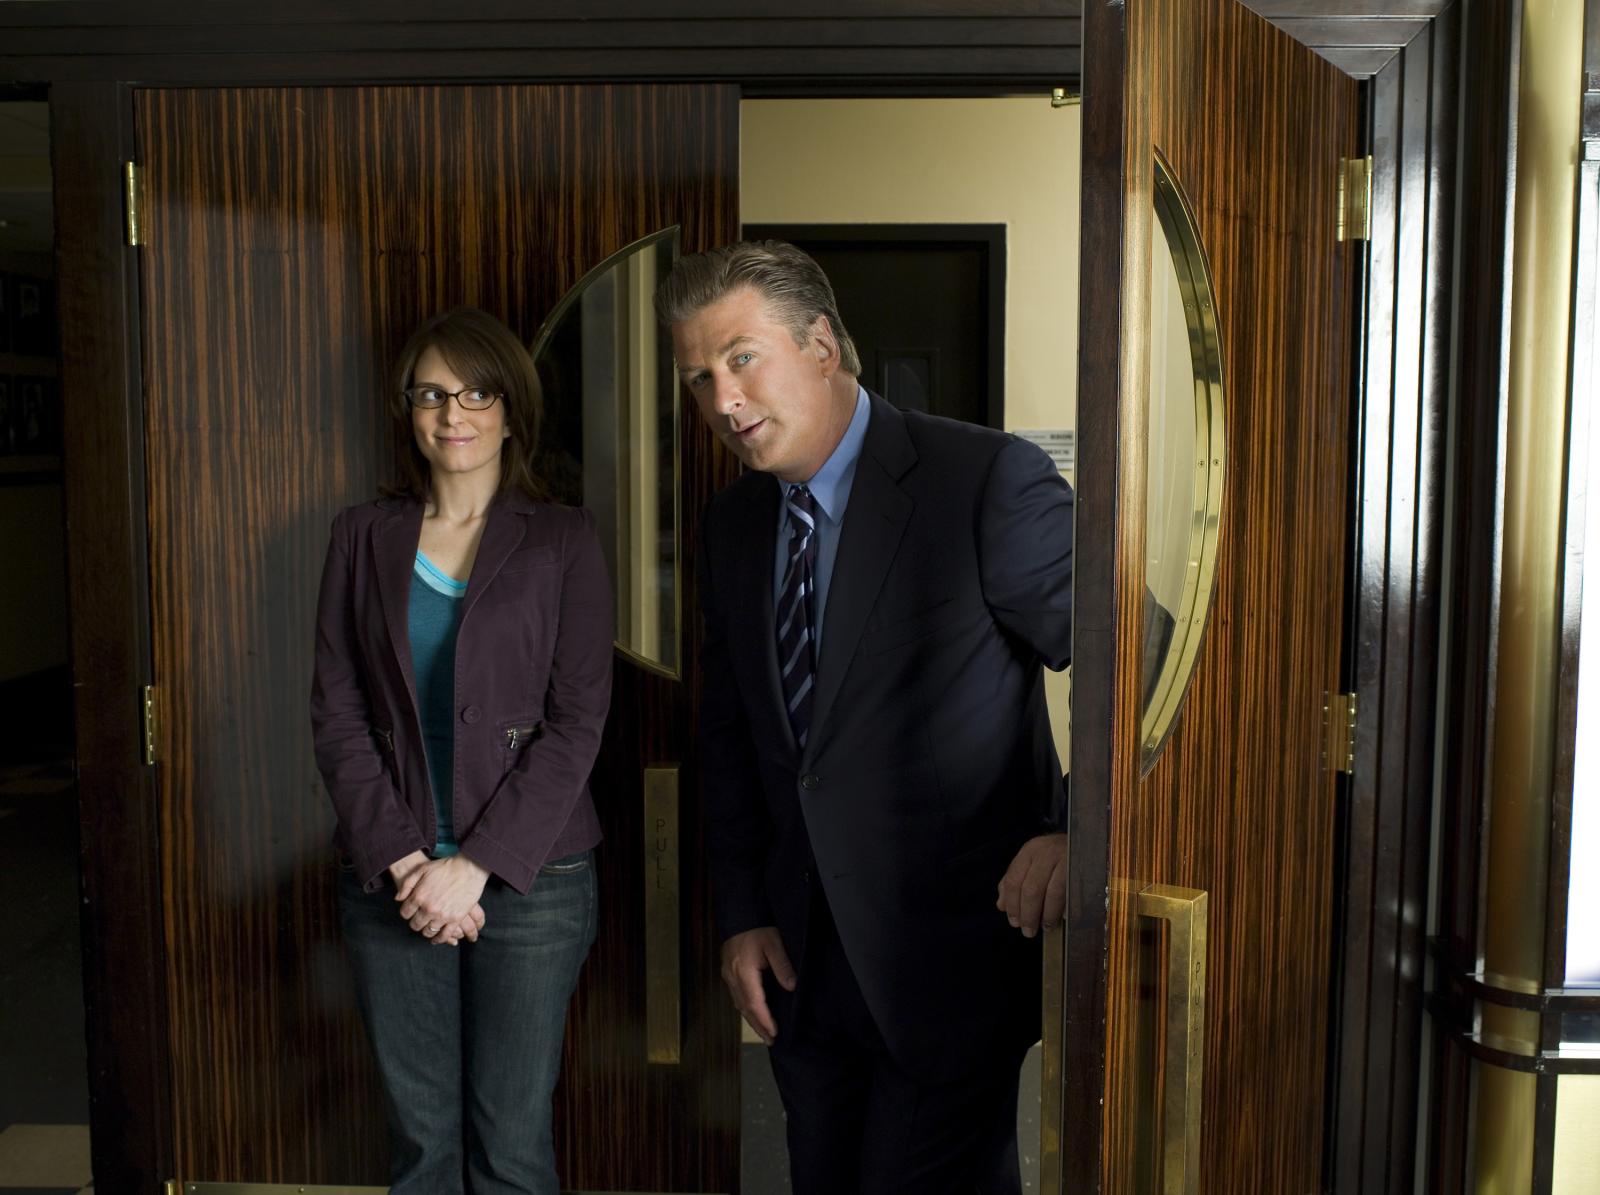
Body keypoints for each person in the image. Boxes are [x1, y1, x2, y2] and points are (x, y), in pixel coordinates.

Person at [657, 241, 1073, 1192]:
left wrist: (1081, 828)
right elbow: (731, 732)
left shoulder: (984, 479)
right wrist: (743, 913)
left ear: (821, 344)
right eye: (699, 377)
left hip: (951, 963)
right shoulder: (734, 525)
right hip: (805, 975)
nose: (722, 399)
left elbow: (1147, 667)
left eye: (741, 358)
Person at [309, 307, 613, 1195]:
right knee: (421, 1147)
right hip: (391, 879)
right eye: (431, 394)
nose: (454, 413)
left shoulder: (564, 539)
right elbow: (337, 712)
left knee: (511, 1146)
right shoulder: (361, 536)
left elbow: (578, 721)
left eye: (477, 392)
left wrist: (472, 866)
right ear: (408, 410)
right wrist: (409, 861)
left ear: (512, 410)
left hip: (533, 881)